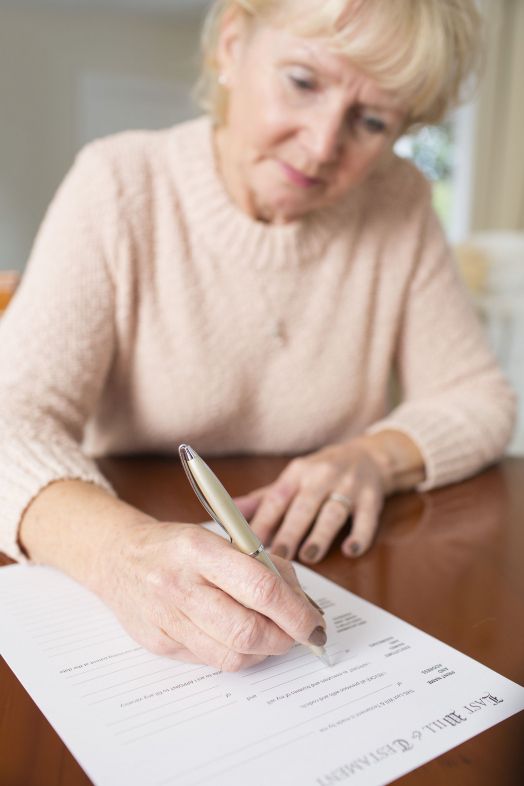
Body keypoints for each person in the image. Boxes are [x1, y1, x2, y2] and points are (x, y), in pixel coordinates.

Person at [0, 0, 515, 671]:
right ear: (233, 47)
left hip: (326, 566)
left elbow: (479, 396)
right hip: (115, 581)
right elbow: (10, 418)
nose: (323, 144)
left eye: (372, 121)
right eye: (303, 81)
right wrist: (122, 553)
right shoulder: (119, 185)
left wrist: (376, 455)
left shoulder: (400, 203)